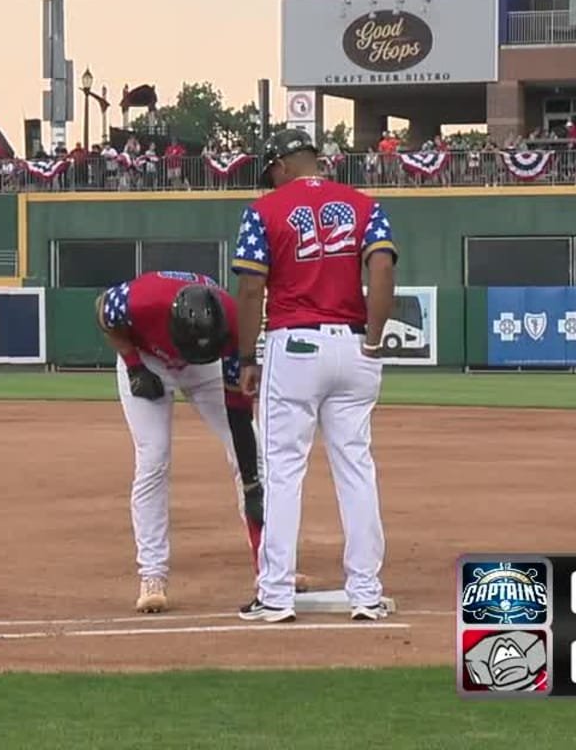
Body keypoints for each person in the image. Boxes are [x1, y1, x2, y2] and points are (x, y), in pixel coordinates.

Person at [231, 128, 396, 623]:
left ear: (282, 165)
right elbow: (383, 269)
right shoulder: (365, 204)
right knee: (356, 470)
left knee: (283, 471)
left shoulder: (265, 209)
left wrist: (246, 358)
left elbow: (249, 289)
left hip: (296, 343)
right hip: (354, 344)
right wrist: (374, 335)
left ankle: (276, 595)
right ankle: (365, 593)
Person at [97, 271, 277, 613]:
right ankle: (152, 575)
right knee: (153, 459)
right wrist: (135, 366)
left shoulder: (235, 329)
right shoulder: (141, 300)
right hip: (149, 358)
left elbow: (238, 418)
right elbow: (102, 311)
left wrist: (253, 485)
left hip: (206, 371)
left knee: (252, 451)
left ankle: (270, 568)